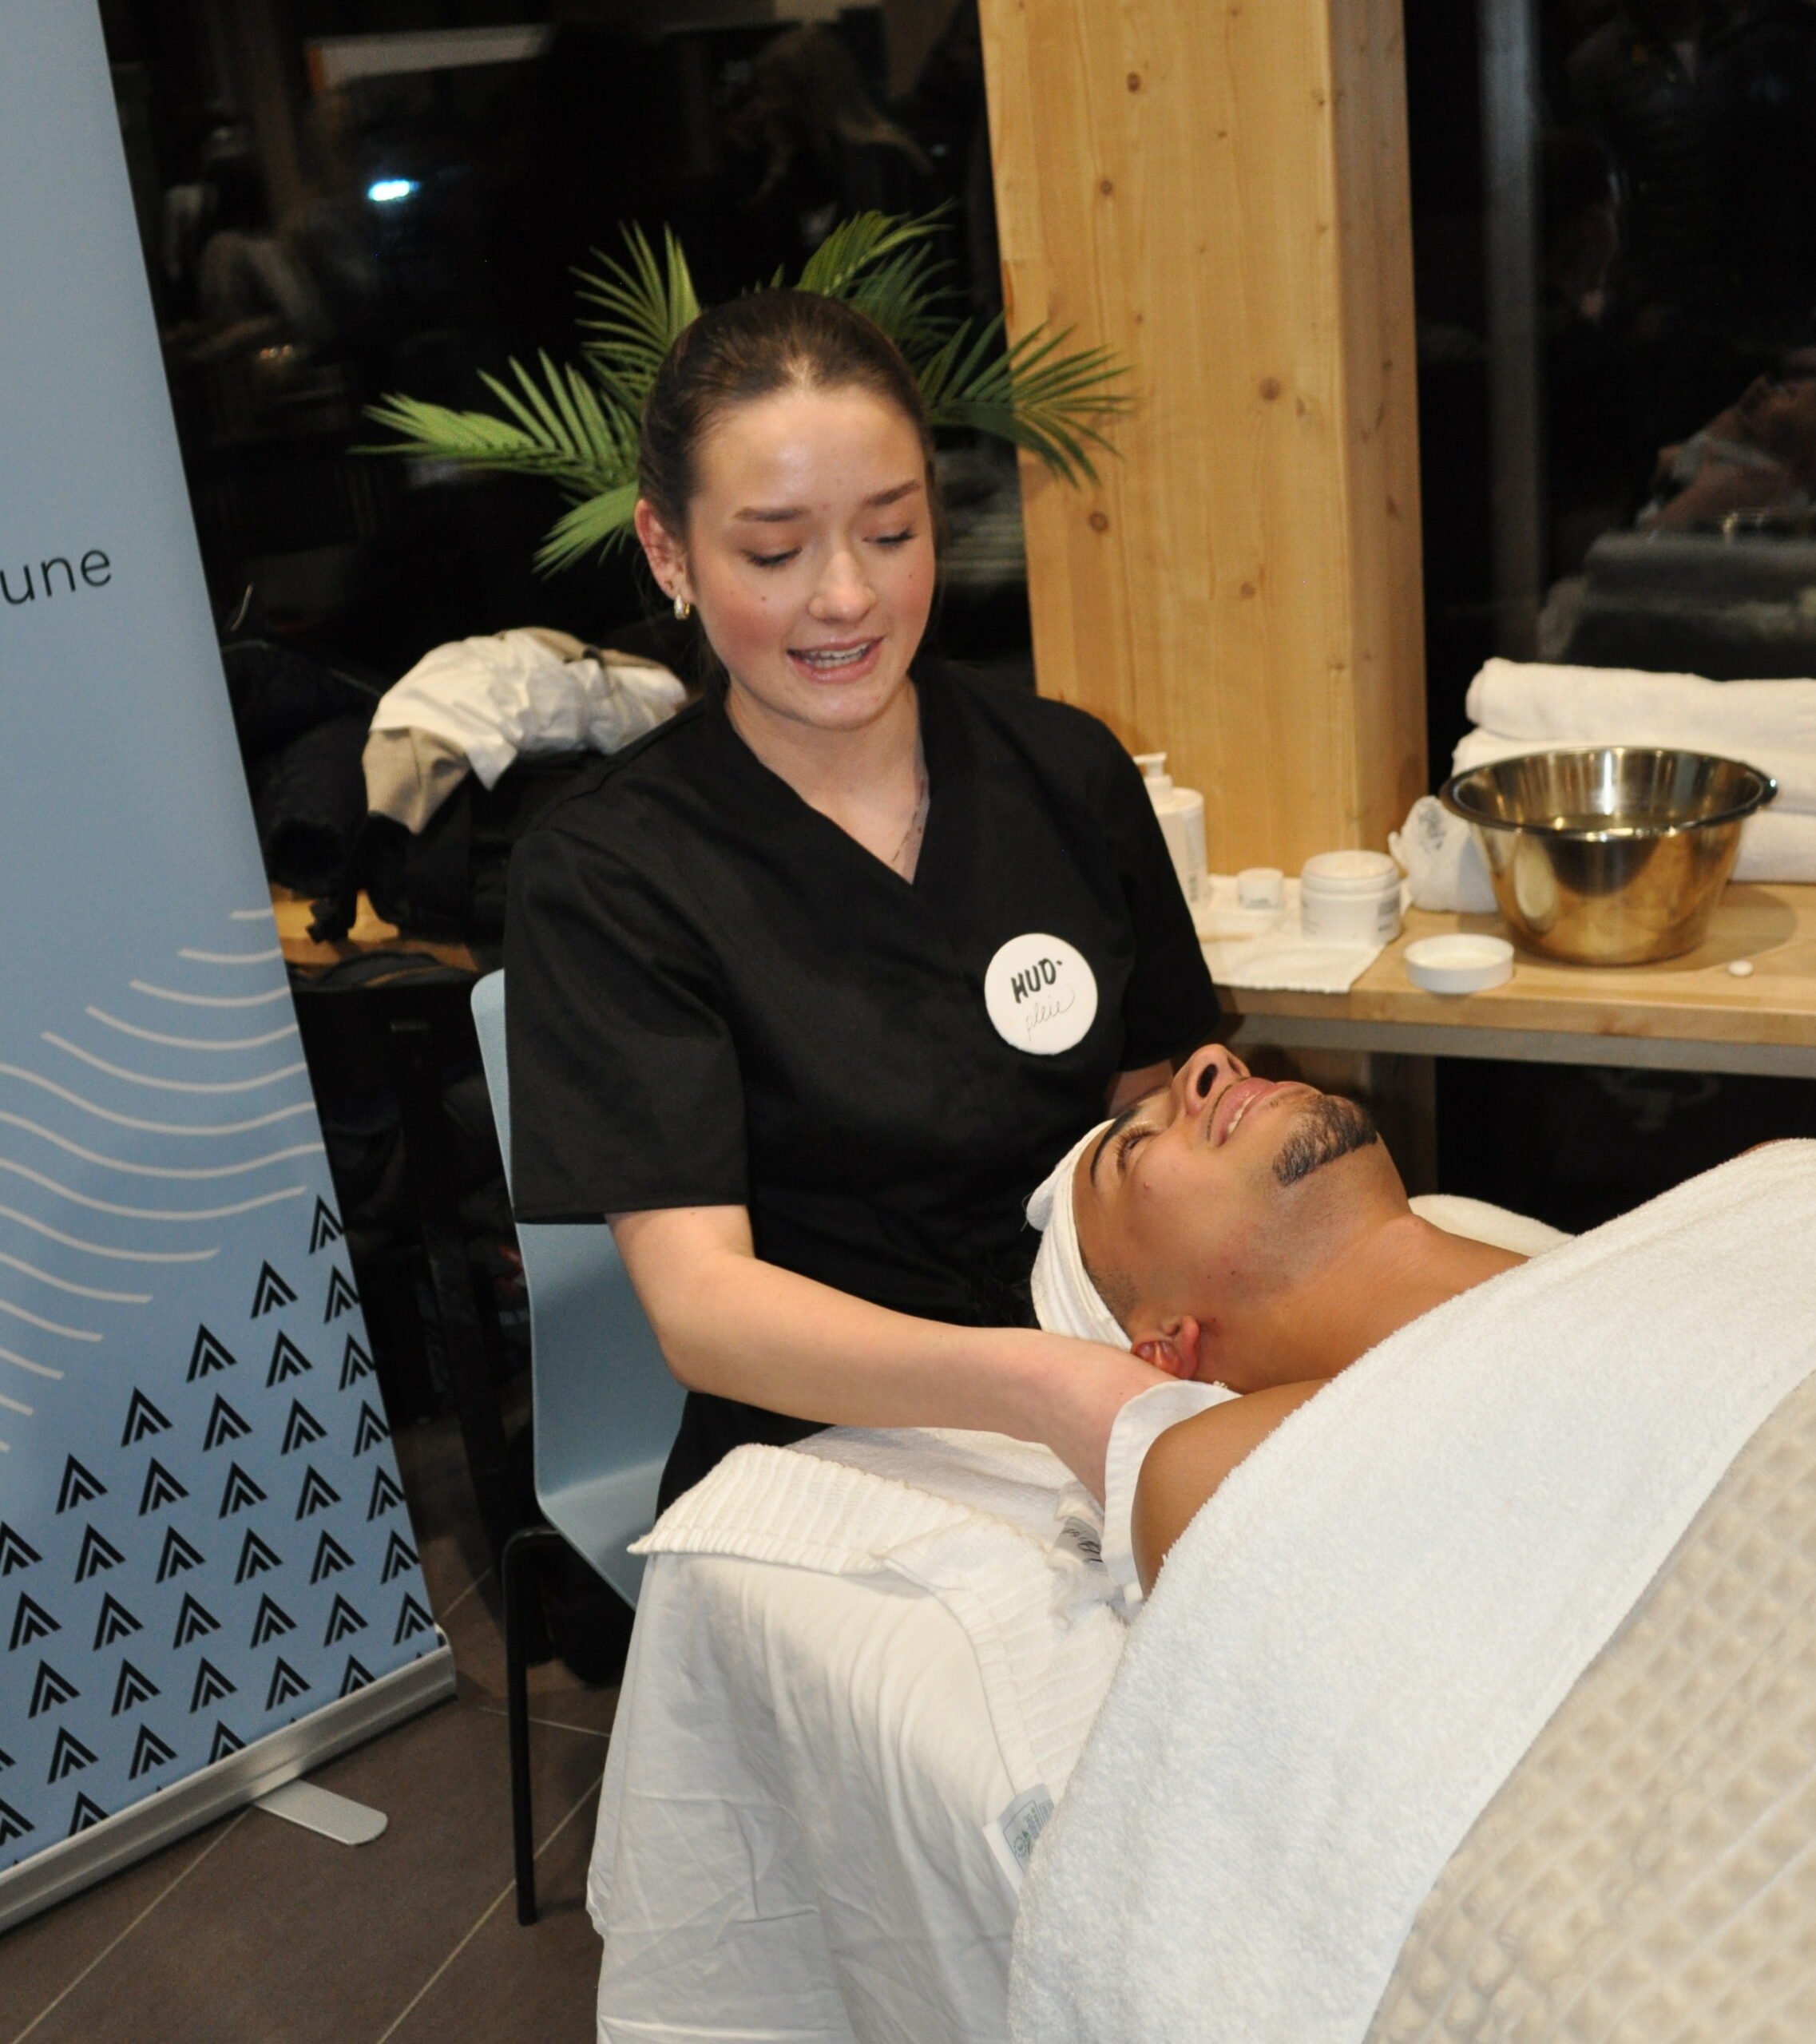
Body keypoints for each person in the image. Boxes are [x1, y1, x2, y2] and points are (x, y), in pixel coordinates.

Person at [504, 288, 1219, 1506]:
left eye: (890, 533)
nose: (845, 597)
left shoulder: (1062, 771)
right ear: (668, 551)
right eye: (773, 553)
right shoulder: (611, 872)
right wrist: (1038, 1386)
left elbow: (1145, 1110)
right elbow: (704, 1308)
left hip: (1109, 1367)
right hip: (821, 1439)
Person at [1029, 1040, 1532, 1590]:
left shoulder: (1599, 1266)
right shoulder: (1218, 1483)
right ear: (1167, 1345)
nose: (1213, 1059)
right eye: (1138, 1145)